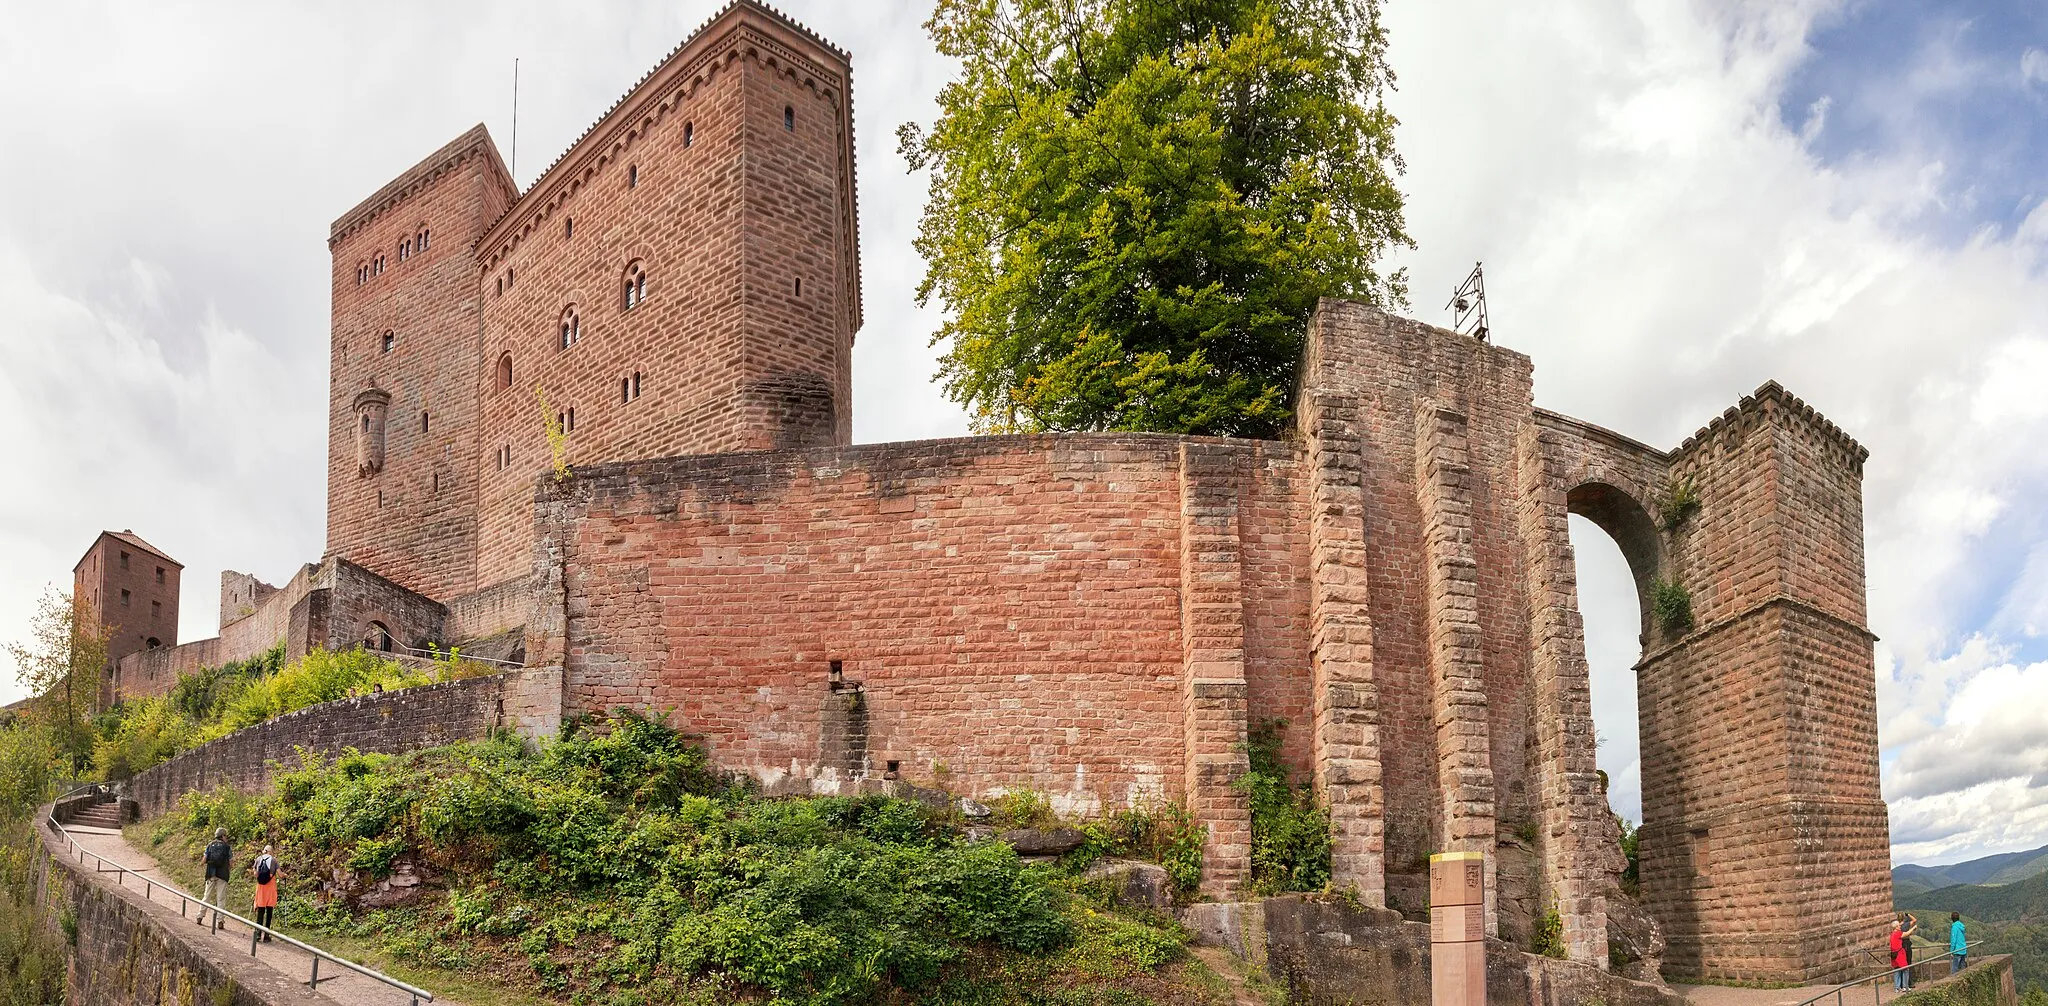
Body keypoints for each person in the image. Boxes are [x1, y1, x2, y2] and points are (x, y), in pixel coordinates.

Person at [197, 828, 232, 932]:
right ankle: (220, 921)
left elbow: (204, 860)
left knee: (206, 896)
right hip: (223, 875)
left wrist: (201, 864)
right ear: (222, 836)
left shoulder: (210, 845)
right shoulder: (227, 847)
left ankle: (200, 916)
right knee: (221, 898)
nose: (226, 838)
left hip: (211, 874)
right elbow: (231, 862)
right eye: (225, 836)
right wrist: (228, 868)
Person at [249, 845, 280, 941]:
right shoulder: (274, 860)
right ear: (271, 852)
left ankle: (258, 934)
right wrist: (285, 875)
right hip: (270, 888)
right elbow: (280, 874)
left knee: (261, 910)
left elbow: (255, 873)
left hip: (261, 888)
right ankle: (266, 935)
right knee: (269, 911)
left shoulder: (258, 859)